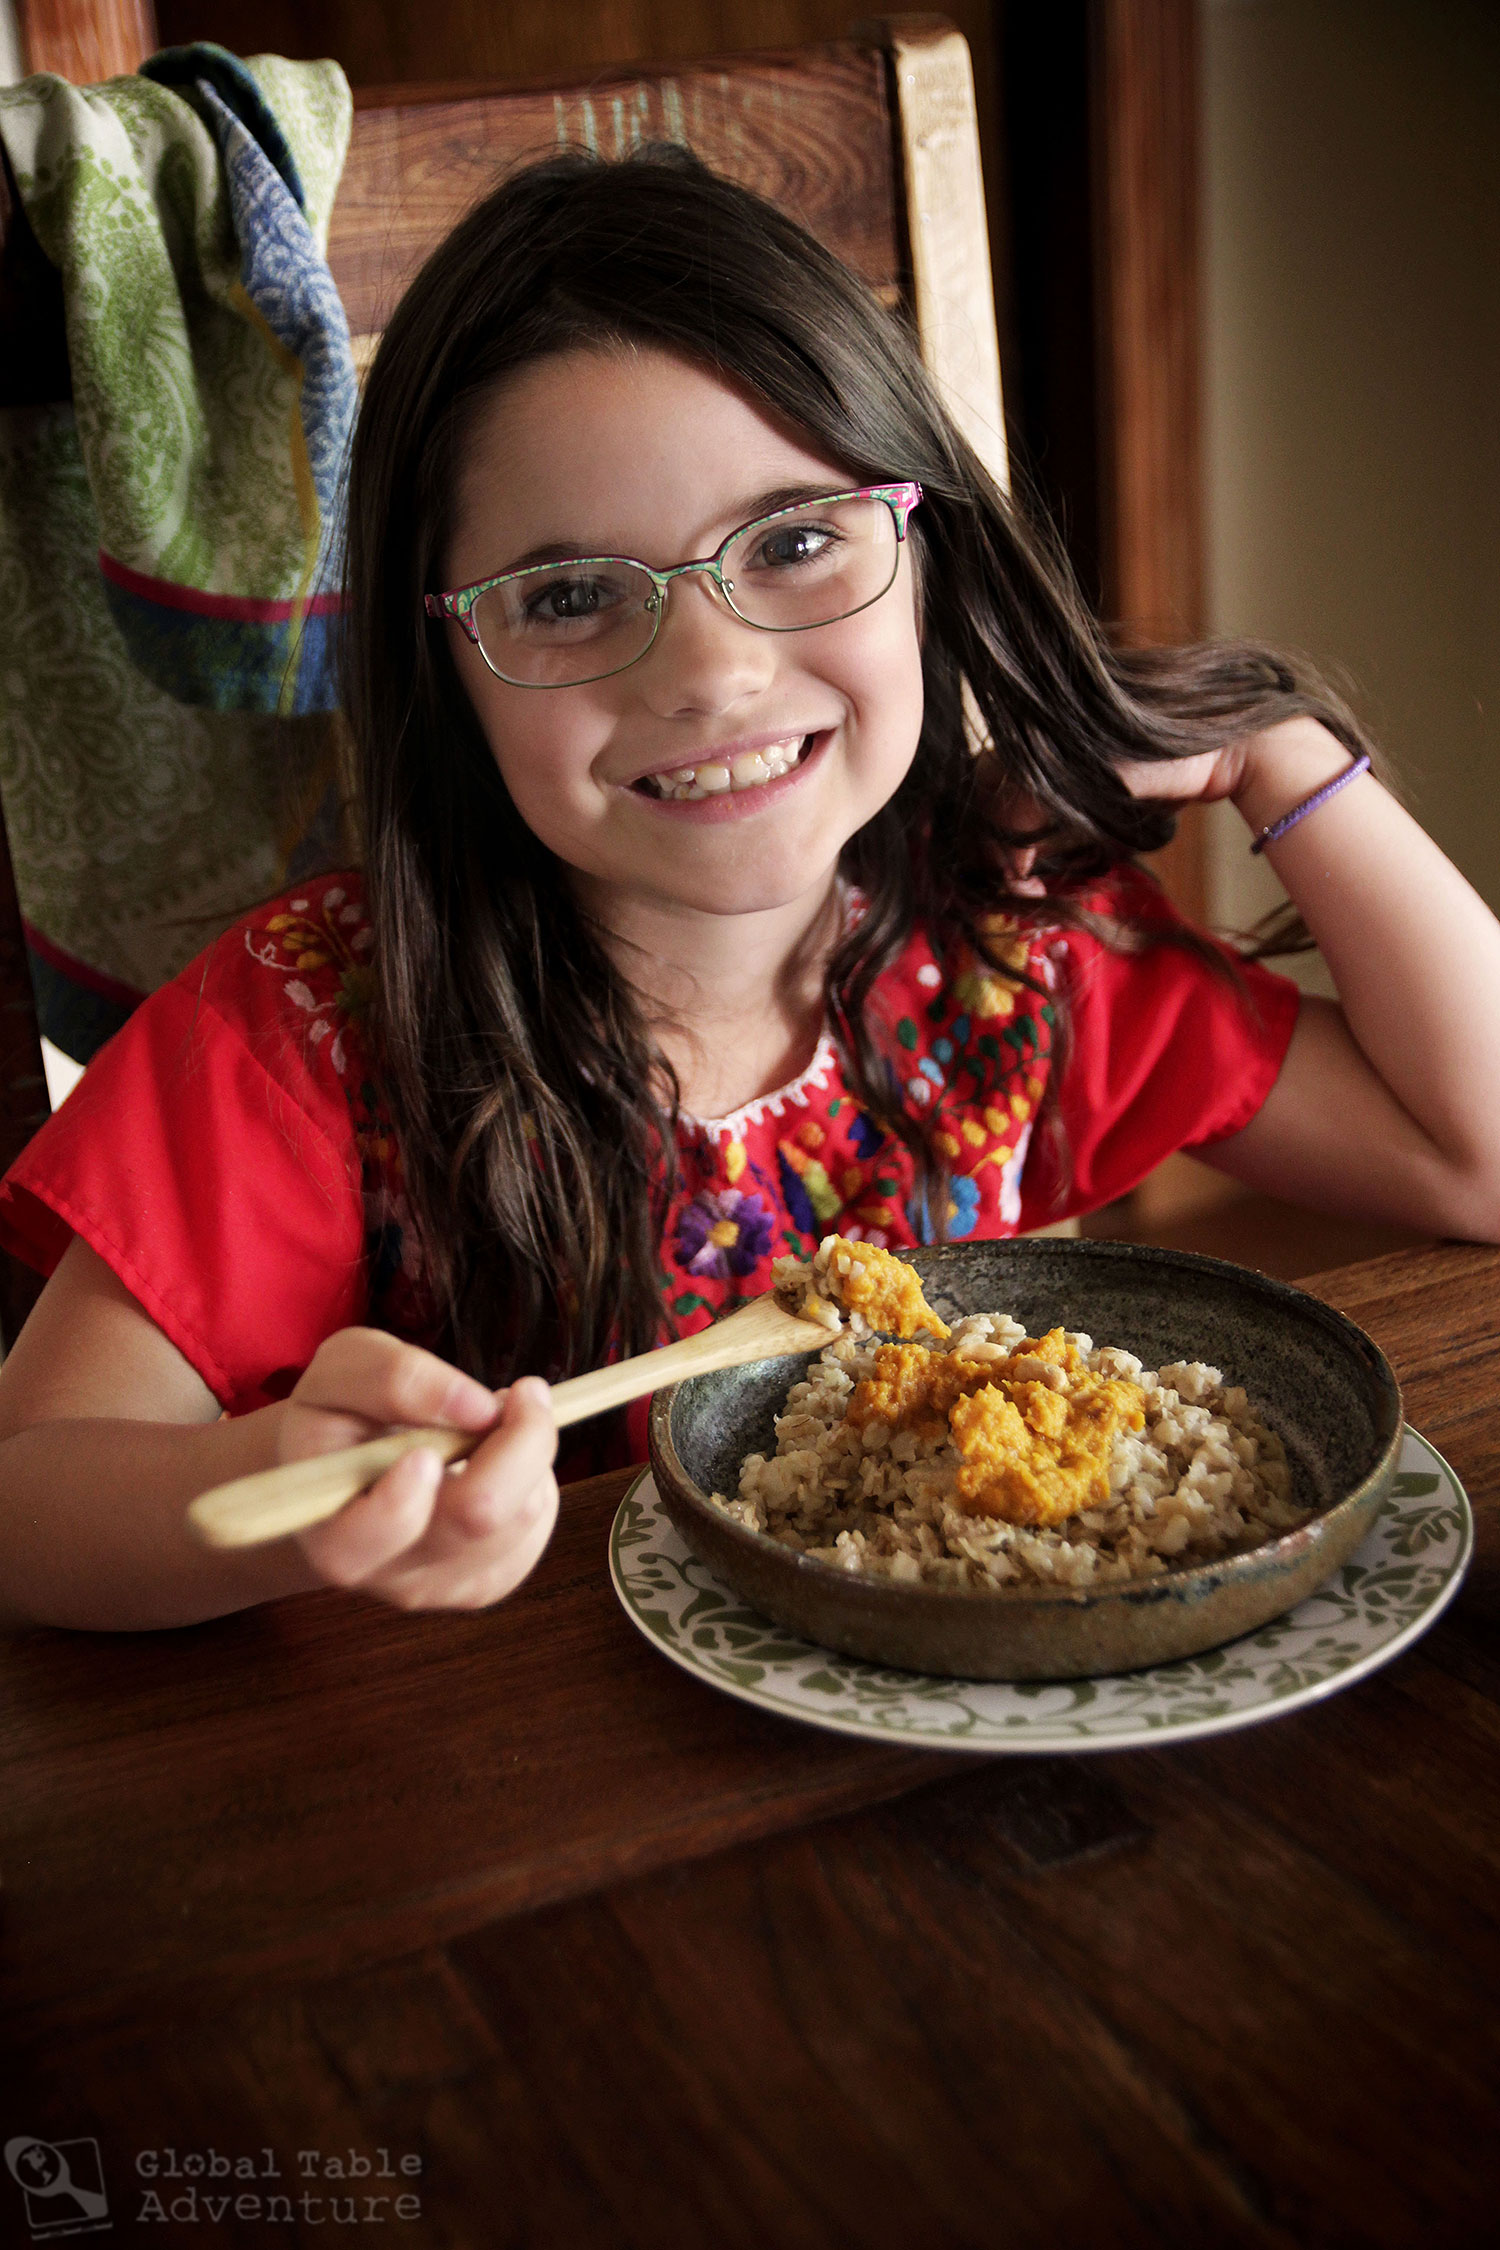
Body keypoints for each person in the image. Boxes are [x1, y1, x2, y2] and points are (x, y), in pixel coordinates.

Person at [1, 149, 1497, 1633]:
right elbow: (29, 1494)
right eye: (571, 594)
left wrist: (1276, 755)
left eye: (791, 541)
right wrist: (298, 1499)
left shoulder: (1016, 958)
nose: (712, 675)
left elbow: (1476, 1156)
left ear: (925, 552)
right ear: (443, 666)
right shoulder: (319, 1035)